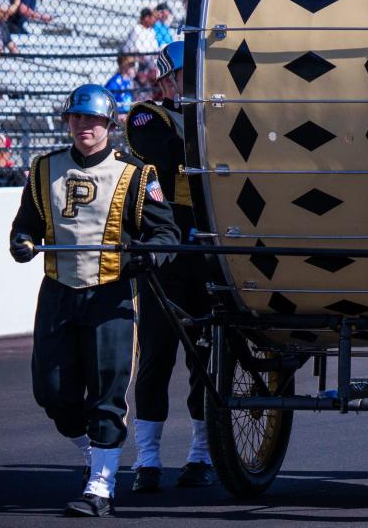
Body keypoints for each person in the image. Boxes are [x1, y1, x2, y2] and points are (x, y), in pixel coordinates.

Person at [9, 84, 179, 516]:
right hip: (57, 294)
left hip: (111, 296)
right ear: (68, 122)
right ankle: (90, 449)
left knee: (107, 392)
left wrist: (150, 254)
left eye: (94, 119)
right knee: (51, 392)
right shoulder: (44, 169)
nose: (85, 126)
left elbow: (167, 234)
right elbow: (25, 224)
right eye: (78, 118)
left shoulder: (137, 174)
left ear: (110, 124)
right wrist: (22, 240)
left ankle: (101, 487)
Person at [126, 41, 217, 491]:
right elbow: (172, 159)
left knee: (205, 358)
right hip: (164, 251)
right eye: (183, 74)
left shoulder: (214, 113)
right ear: (164, 80)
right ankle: (148, 458)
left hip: (210, 251)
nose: (191, 80)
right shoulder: (148, 117)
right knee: (156, 357)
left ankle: (201, 453)